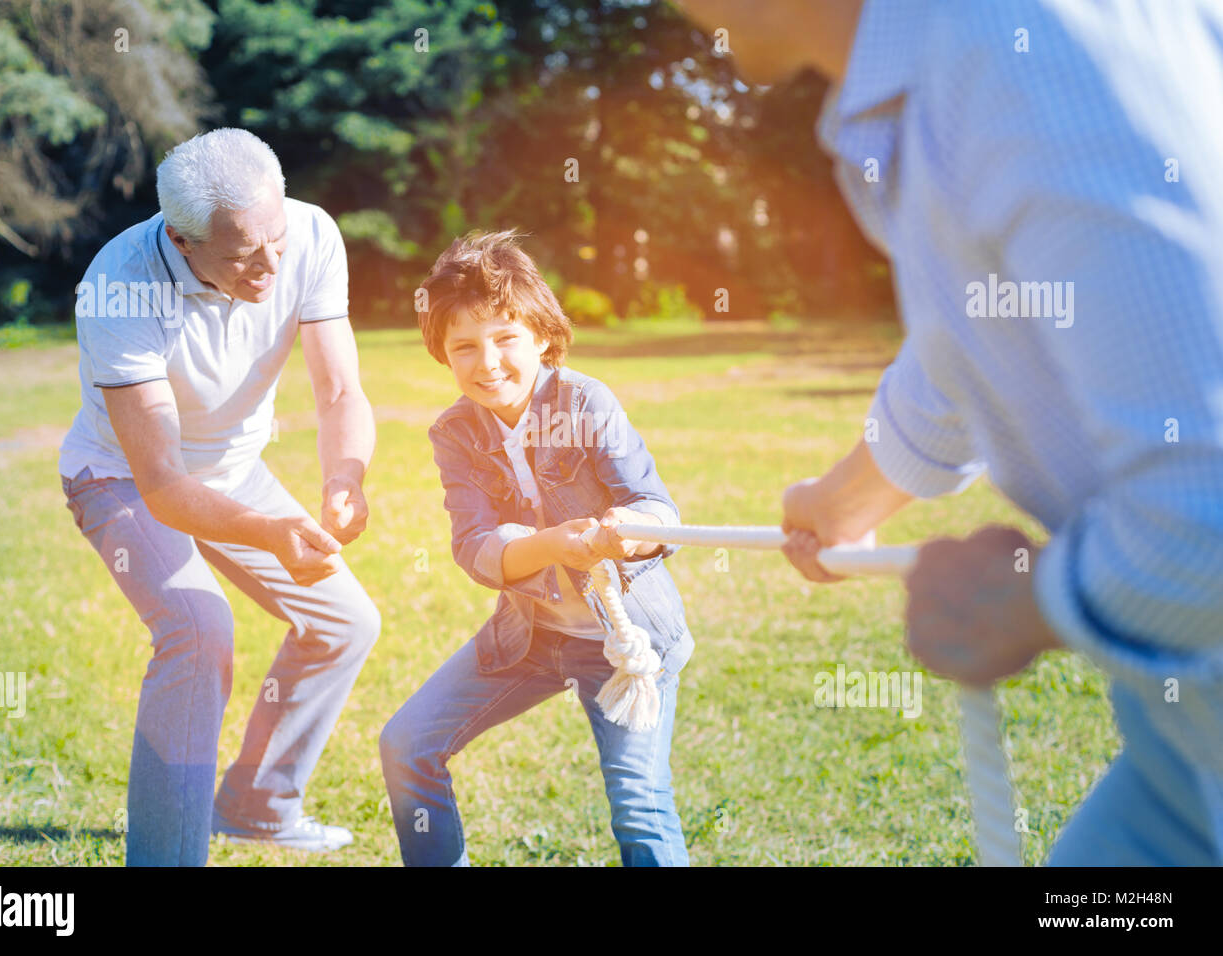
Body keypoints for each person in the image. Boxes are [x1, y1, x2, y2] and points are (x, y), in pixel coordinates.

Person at [674, 0, 1223, 864]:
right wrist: (850, 496)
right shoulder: (951, 64)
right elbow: (990, 328)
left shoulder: (1027, 49)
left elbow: (1208, 513)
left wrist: (1029, 600)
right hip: (1185, 739)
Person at [58, 128, 381, 866]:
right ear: (183, 238)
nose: (271, 263)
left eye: (276, 236)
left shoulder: (309, 233)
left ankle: (258, 805)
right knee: (200, 632)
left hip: (236, 473)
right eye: (242, 254)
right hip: (122, 479)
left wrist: (344, 479)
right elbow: (165, 483)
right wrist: (270, 532)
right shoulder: (121, 283)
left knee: (345, 623)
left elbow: (338, 389)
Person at [379, 230, 694, 866]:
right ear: (442, 353)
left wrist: (628, 535)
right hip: (528, 636)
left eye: (504, 339)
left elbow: (659, 511)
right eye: (463, 346)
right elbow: (474, 549)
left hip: (624, 642)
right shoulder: (454, 433)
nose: (486, 361)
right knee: (407, 744)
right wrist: (553, 544)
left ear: (543, 337)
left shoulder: (586, 401)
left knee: (638, 800)